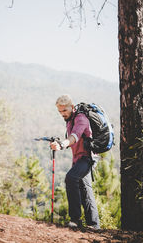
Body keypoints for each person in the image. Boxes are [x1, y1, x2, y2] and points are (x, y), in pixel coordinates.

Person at [50, 94, 100, 230]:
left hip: (87, 158)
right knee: (85, 190)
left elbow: (75, 136)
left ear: (72, 107)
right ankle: (94, 225)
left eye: (64, 110)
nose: (62, 114)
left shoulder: (81, 118)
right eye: (60, 111)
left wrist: (62, 144)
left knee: (71, 178)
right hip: (78, 158)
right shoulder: (69, 119)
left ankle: (76, 220)